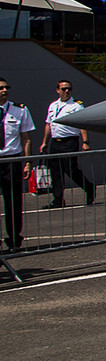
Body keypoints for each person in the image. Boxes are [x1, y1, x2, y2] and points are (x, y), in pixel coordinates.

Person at [39, 80, 96, 208]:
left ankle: (89, 187)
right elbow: (49, 125)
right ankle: (58, 199)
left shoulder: (76, 106)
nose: (66, 91)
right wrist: (45, 142)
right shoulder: (53, 105)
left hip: (69, 141)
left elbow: (82, 124)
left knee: (70, 169)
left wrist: (85, 142)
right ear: (57, 90)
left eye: (69, 89)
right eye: (63, 89)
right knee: (56, 171)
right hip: (55, 142)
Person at [0, 78, 34, 251]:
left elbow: (26, 138)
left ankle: (14, 238)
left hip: (11, 160)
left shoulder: (19, 110)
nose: (4, 90)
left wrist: (27, 163)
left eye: (6, 87)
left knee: (13, 201)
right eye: (1, 88)